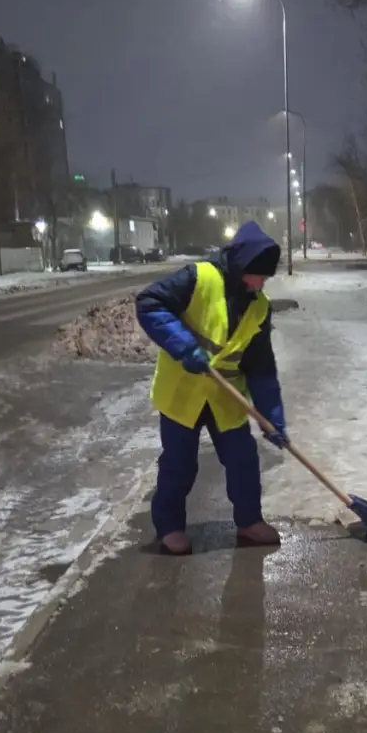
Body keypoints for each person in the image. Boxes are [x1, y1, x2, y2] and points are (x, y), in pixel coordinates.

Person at [135, 220, 288, 556]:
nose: (261, 283)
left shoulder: (259, 306)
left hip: (225, 396)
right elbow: (149, 304)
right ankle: (170, 527)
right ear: (243, 264)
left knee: (243, 460)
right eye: (258, 275)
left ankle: (249, 521)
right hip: (183, 393)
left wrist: (272, 416)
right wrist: (183, 346)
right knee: (179, 463)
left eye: (265, 278)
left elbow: (261, 367)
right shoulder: (199, 278)